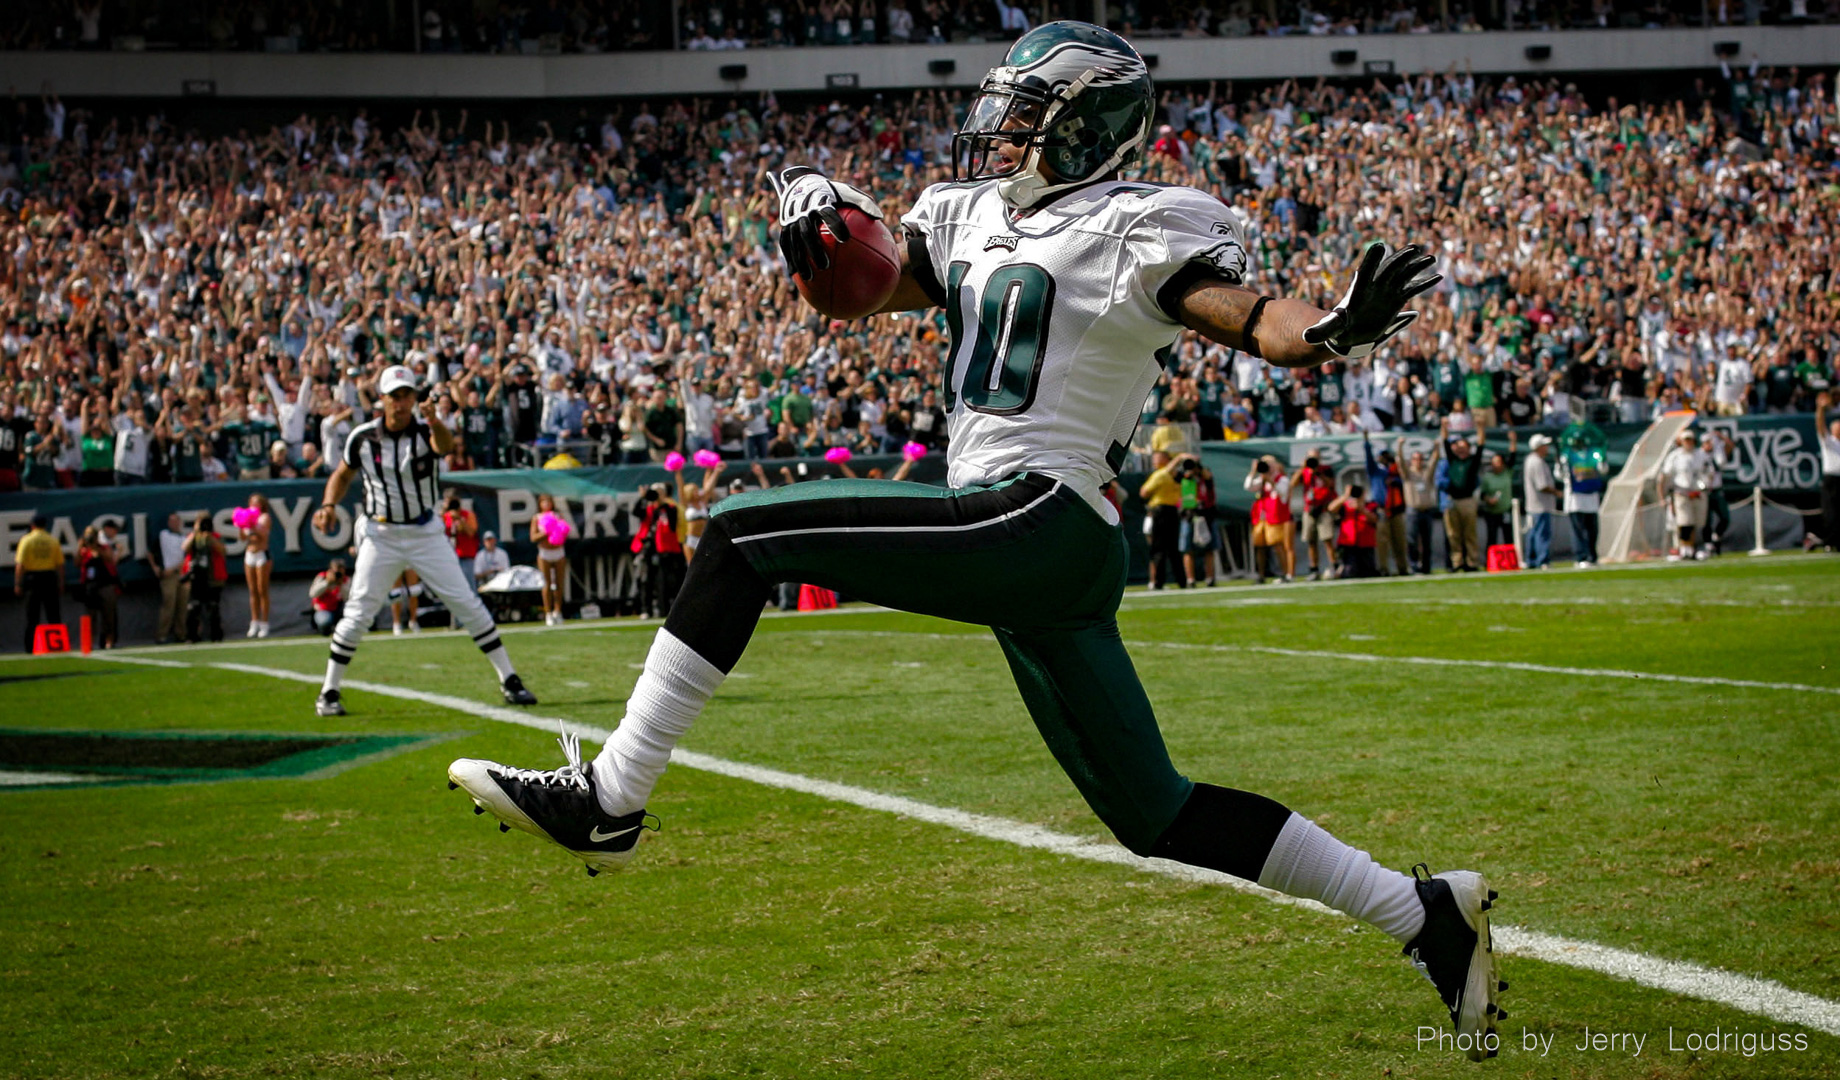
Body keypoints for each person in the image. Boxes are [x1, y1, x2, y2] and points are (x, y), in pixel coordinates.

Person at [449, 23, 1499, 1057]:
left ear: (1089, 128)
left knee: (739, 535)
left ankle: (611, 799)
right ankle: (1421, 914)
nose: (1000, 136)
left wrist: (1325, 331)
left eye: (1027, 118)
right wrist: (815, 219)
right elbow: (862, 290)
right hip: (1021, 541)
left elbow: (1246, 314)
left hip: (1043, 514)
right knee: (1155, 814)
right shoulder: (965, 212)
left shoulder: (1144, 221)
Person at [310, 365, 539, 717]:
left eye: (407, 395)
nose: (402, 403)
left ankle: (509, 678)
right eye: (395, 396)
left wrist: (434, 420)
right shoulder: (363, 438)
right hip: (380, 533)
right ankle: (329, 691)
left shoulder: (426, 431)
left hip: (424, 531)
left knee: (466, 602)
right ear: (382, 399)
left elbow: (444, 447)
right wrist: (328, 504)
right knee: (359, 611)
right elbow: (342, 474)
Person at [1657, 429, 1716, 561]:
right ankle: (1684, 548)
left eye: (1690, 439)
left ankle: (1691, 548)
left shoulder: (1701, 455)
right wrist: (1663, 495)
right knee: (1684, 522)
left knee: (1696, 522)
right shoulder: (1675, 456)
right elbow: (1665, 476)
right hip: (1681, 493)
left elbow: (1710, 472)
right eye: (1686, 440)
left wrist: (1706, 484)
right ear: (1681, 442)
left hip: (1698, 493)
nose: (1688, 442)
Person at [1436, 421, 1484, 572]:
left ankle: (1472, 562)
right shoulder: (1452, 460)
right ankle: (1457, 562)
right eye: (1460, 447)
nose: (1462, 450)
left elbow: (1481, 445)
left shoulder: (1472, 462)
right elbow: (1444, 441)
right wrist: (1444, 426)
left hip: (1468, 500)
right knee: (1453, 535)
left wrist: (1480, 428)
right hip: (1452, 500)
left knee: (1470, 534)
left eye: (1465, 447)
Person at [14, 514, 65, 651]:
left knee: (32, 616)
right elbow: (60, 565)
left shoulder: (26, 540)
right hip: (49, 577)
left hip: (33, 579)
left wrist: (18, 583)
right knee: (53, 614)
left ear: (32, 525)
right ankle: (57, 645)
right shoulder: (52, 540)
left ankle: (30, 647)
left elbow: (20, 564)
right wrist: (61, 583)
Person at [1362, 433, 1409, 577]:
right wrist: (1366, 441)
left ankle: (1403, 568)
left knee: (1399, 541)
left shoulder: (1394, 472)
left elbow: (1403, 481)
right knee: (1382, 541)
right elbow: (1368, 458)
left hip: (1396, 509)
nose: (1384, 458)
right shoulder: (1376, 471)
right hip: (1382, 509)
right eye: (1382, 456)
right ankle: (1383, 568)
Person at [1243, 456, 1294, 584]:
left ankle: (1285, 573)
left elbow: (1282, 492)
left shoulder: (1282, 479)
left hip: (1277, 517)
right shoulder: (1261, 479)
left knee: (1278, 545)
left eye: (1269, 465)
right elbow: (1248, 487)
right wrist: (1253, 471)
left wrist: (1270, 481)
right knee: (1260, 546)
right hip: (1262, 517)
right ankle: (1261, 575)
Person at [1138, 451, 1185, 589]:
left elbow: (1144, 492)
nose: (1154, 459)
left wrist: (1179, 457)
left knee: (1158, 549)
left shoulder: (1160, 474)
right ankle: (1181, 581)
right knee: (1173, 549)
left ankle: (1158, 582)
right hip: (1172, 512)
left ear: (1166, 459)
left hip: (1160, 512)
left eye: (1157, 457)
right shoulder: (1176, 476)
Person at [183, 513, 228, 644]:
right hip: (196, 578)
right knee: (193, 607)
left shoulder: (216, 538)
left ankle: (216, 635)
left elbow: (223, 551)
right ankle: (192, 635)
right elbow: (185, 548)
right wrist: (195, 533)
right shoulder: (193, 538)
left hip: (213, 579)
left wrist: (210, 538)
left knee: (213, 607)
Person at [1293, 454, 1337, 581]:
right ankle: (1314, 569)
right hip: (1309, 509)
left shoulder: (1326, 469)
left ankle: (1334, 566)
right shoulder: (1305, 471)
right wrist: (1302, 469)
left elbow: (1331, 484)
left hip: (1323, 508)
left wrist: (1319, 473)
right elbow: (1294, 484)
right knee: (1311, 541)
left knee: (1327, 539)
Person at [77, 525, 122, 649]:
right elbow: (77, 562)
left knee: (108, 615)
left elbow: (110, 559)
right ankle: (89, 642)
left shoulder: (103, 548)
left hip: (105, 585)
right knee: (90, 616)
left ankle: (109, 640)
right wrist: (81, 547)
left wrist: (96, 548)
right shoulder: (84, 550)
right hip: (90, 586)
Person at [152, 512, 191, 644]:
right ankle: (162, 635)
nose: (174, 523)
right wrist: (156, 568)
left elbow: (187, 557)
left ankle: (181, 634)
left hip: (182, 574)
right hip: (168, 575)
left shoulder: (184, 537)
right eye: (171, 521)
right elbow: (150, 552)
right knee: (169, 604)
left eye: (176, 521)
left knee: (183, 606)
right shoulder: (163, 535)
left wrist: (177, 568)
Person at [1400, 443, 1439, 575]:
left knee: (1427, 541)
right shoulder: (1408, 474)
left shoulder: (1426, 473)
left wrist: (1436, 447)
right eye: (1415, 459)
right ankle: (1413, 566)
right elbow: (1400, 461)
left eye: (1420, 459)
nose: (1418, 461)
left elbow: (1435, 460)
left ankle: (1426, 567)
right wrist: (1400, 446)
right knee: (1412, 540)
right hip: (1413, 511)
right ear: (1411, 461)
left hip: (1427, 510)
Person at [1521, 434, 1558, 570]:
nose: (1547, 448)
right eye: (1544, 445)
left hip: (1534, 505)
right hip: (1540, 505)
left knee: (1534, 533)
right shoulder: (1536, 462)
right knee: (1541, 534)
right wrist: (1557, 492)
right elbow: (1542, 485)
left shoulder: (1530, 460)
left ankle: (1531, 560)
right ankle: (1542, 560)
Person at [1328, 481, 1377, 579]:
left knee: (1368, 572)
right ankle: (1340, 570)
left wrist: (1362, 509)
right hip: (1349, 545)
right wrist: (1345, 496)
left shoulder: (1370, 505)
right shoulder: (1346, 506)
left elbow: (1374, 519)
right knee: (1350, 572)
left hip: (1365, 545)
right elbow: (1331, 508)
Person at [241, 493, 274, 638]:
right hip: (250, 554)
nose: (254, 505)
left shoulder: (264, 518)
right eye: (252, 502)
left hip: (262, 554)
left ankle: (264, 623)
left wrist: (252, 525)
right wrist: (242, 525)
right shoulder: (247, 517)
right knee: (252, 590)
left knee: (262, 590)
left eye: (257, 503)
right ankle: (254, 622)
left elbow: (263, 536)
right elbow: (243, 537)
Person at [533, 493, 570, 626]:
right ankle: (548, 613)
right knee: (546, 584)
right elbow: (533, 537)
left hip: (558, 552)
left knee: (559, 584)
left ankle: (558, 611)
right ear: (540, 504)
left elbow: (564, 531)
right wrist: (545, 533)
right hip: (544, 554)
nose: (546, 504)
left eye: (549, 502)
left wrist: (560, 532)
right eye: (544, 502)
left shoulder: (558, 516)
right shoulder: (537, 518)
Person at [444, 492, 481, 593]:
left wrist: (459, 519)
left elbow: (471, 532)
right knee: (453, 588)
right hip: (450, 556)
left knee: (469, 586)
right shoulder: (445, 516)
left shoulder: (468, 515)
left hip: (465, 555)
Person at [1818, 393, 1840, 552]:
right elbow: (1820, 426)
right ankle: (1830, 542)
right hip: (1831, 479)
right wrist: (1820, 409)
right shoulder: (1829, 442)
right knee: (1830, 513)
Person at [309, 559, 350, 635]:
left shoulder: (345, 580)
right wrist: (327, 582)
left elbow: (347, 598)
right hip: (323, 609)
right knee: (325, 621)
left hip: (339, 610)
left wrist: (341, 584)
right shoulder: (322, 577)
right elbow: (313, 594)